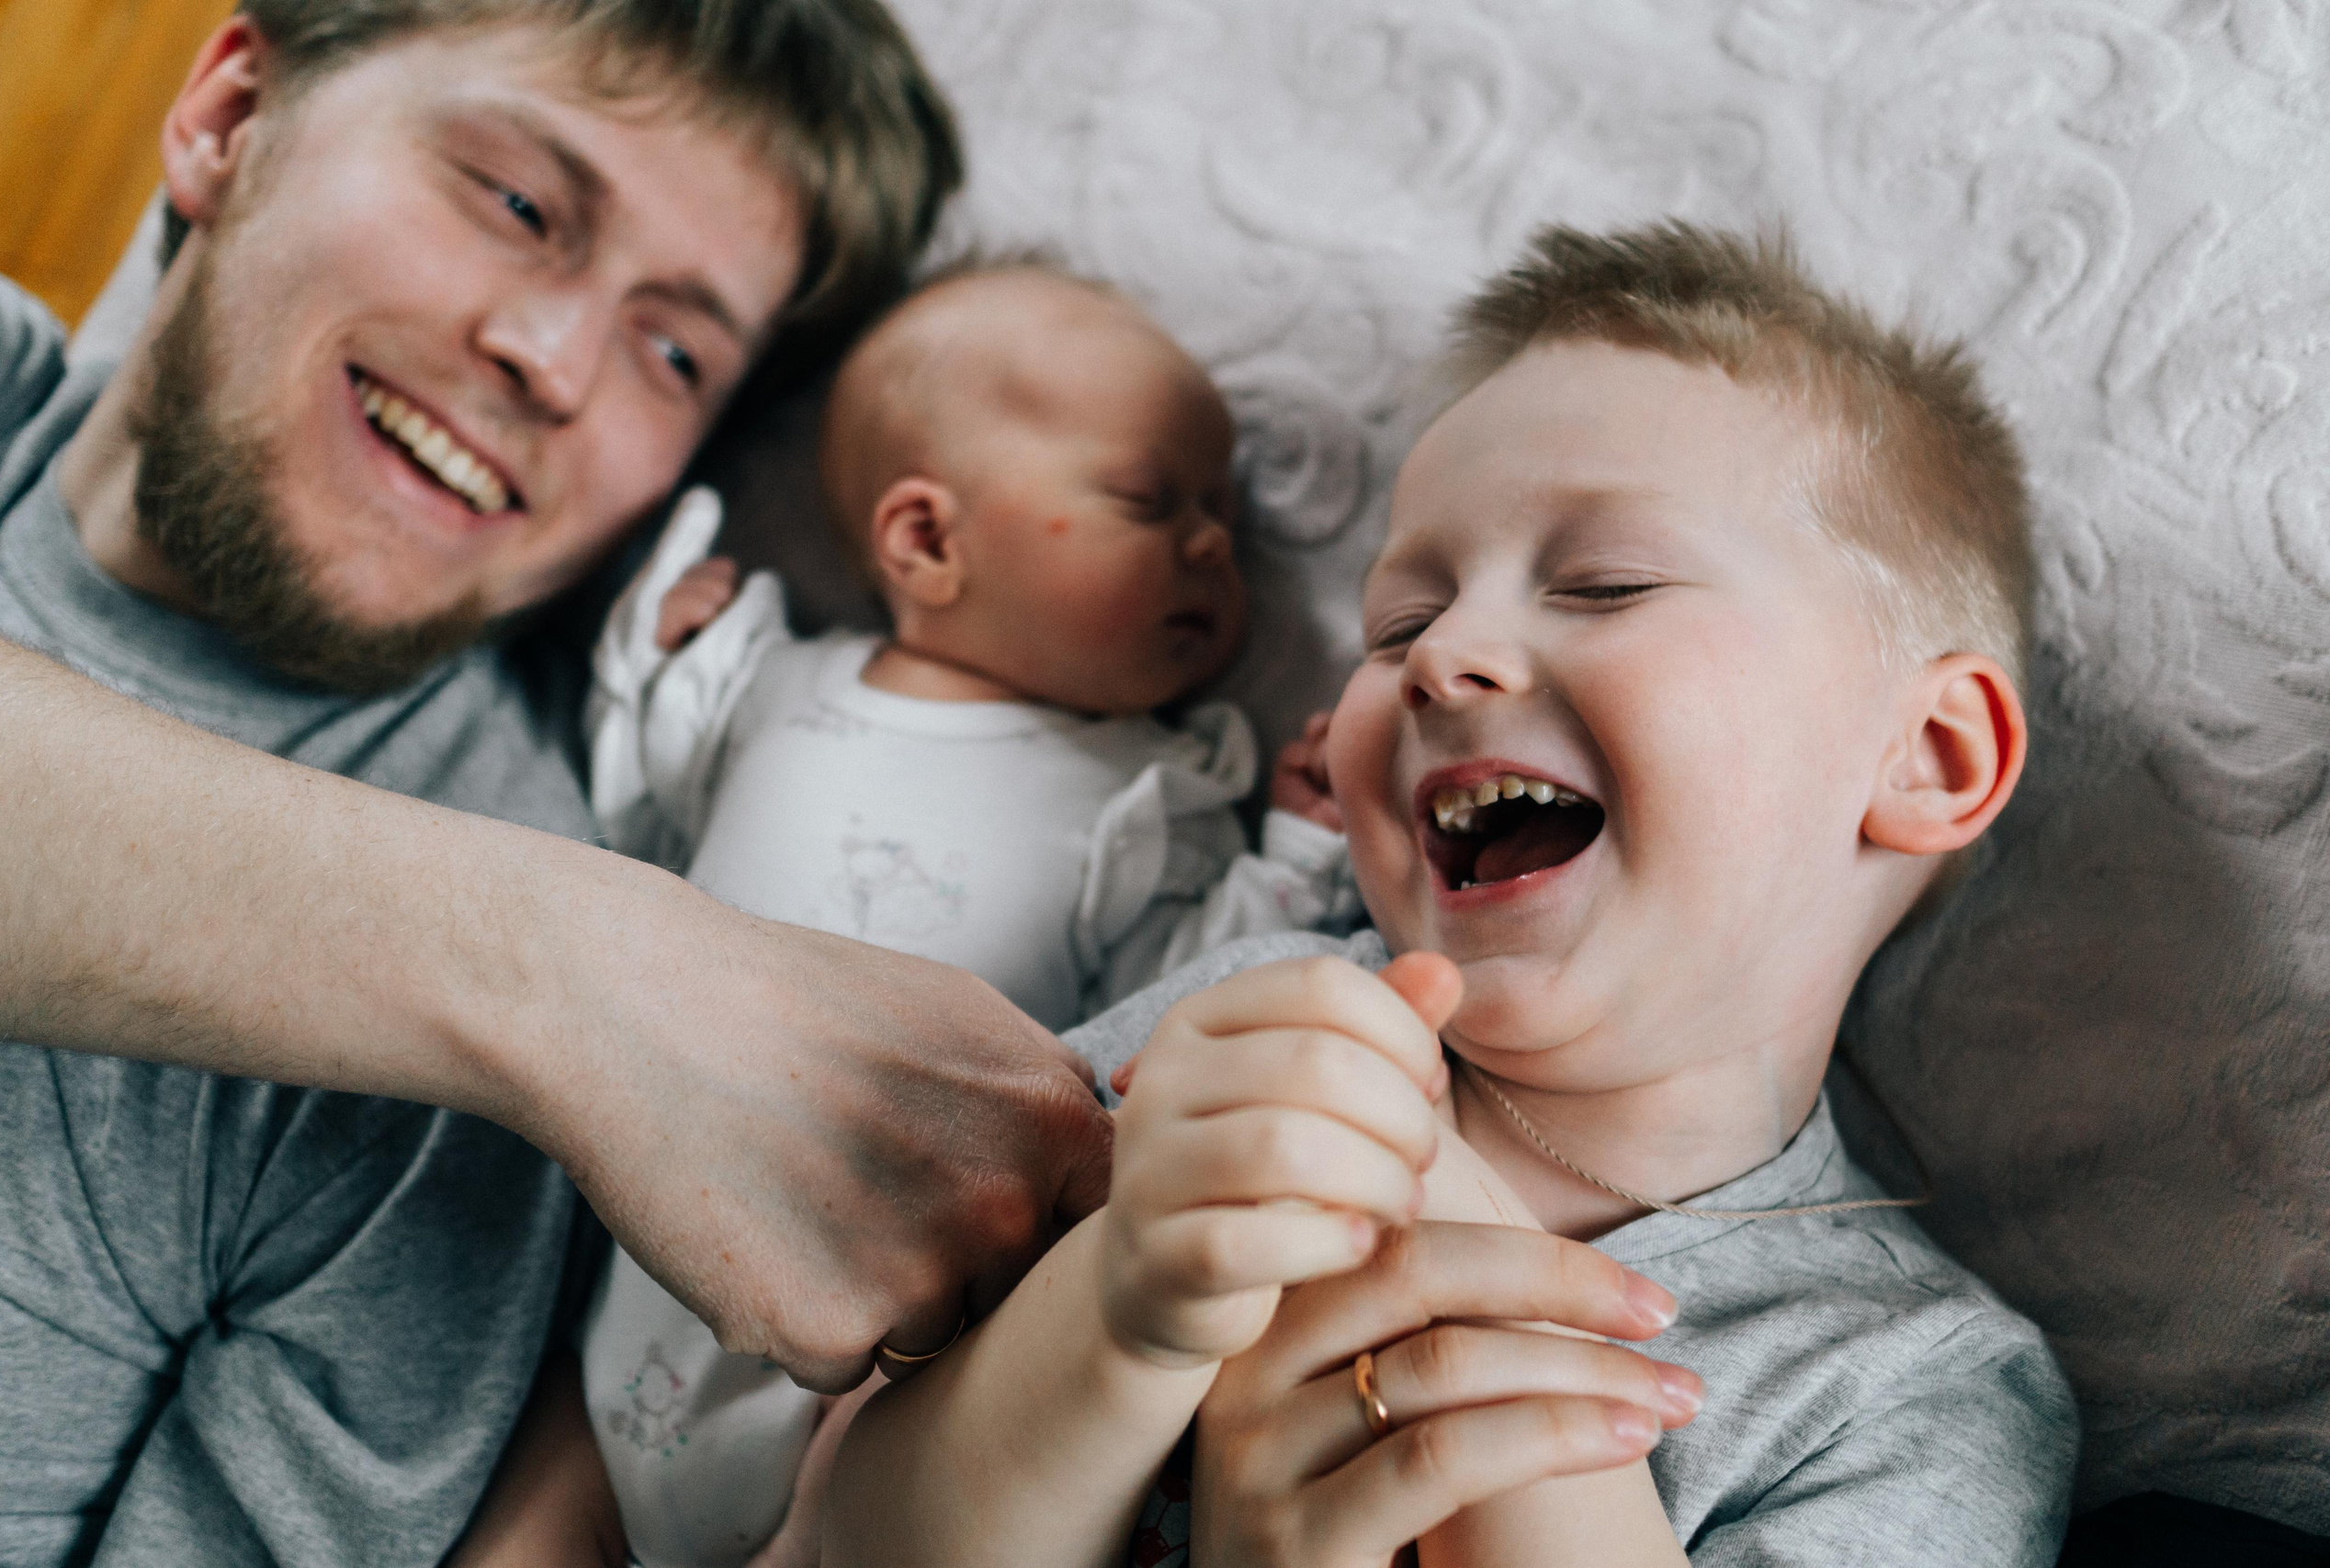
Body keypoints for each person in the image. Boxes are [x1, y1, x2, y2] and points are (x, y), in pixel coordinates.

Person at [0, 3, 1123, 1561]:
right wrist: (563, 972)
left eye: (674, 351)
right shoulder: (586, 1014)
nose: (553, 362)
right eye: (518, 203)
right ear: (230, 117)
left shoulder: (480, 1117)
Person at [819, 221, 2080, 1566]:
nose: (1445, 655)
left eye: (1606, 586)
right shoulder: (1255, 1029)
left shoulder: (1910, 1387)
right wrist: (1123, 1311)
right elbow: (828, 1521)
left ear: (1930, 758)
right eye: (1399, 626)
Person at [447, 259, 1362, 1568]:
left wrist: (1294, 853)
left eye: (1219, 510)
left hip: (877, 1373)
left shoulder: (1145, 797)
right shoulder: (770, 680)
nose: (1217, 545)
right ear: (927, 542)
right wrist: (657, 658)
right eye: (1149, 502)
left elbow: (1173, 1005)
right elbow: (640, 811)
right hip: (631, 1314)